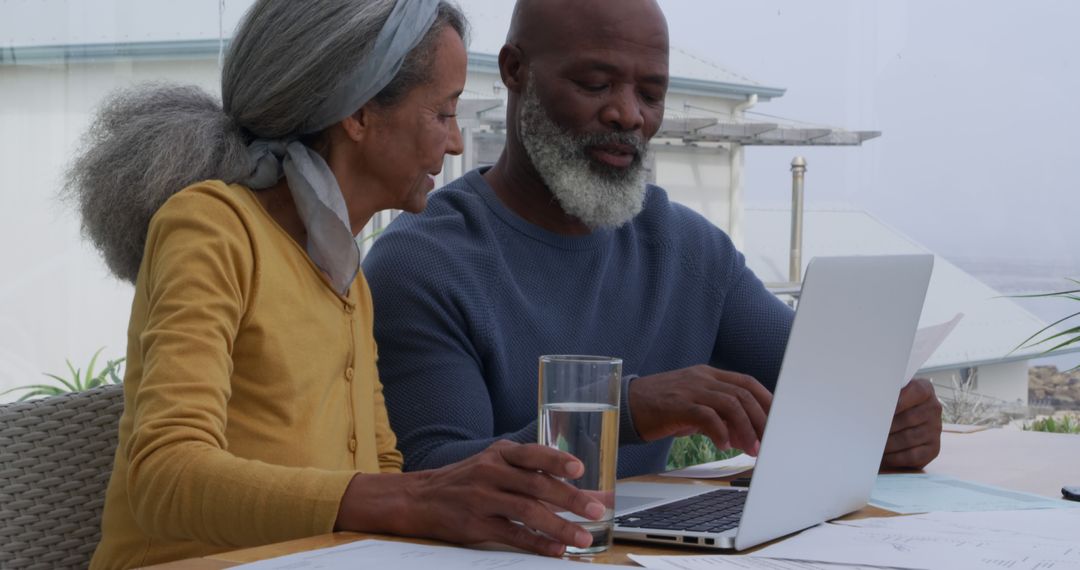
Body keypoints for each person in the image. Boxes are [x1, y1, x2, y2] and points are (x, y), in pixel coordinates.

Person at [70, 2, 606, 568]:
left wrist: (463, 512)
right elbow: (165, 478)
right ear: (359, 113)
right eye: (443, 113)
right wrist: (413, 500)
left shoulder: (346, 274)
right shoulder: (211, 228)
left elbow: (383, 472)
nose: (452, 144)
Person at [362, 0, 943, 480]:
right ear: (515, 70)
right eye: (595, 84)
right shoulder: (423, 264)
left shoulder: (685, 251)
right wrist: (624, 410)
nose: (629, 114)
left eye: (652, 94)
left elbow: (826, 385)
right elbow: (430, 476)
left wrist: (892, 420)